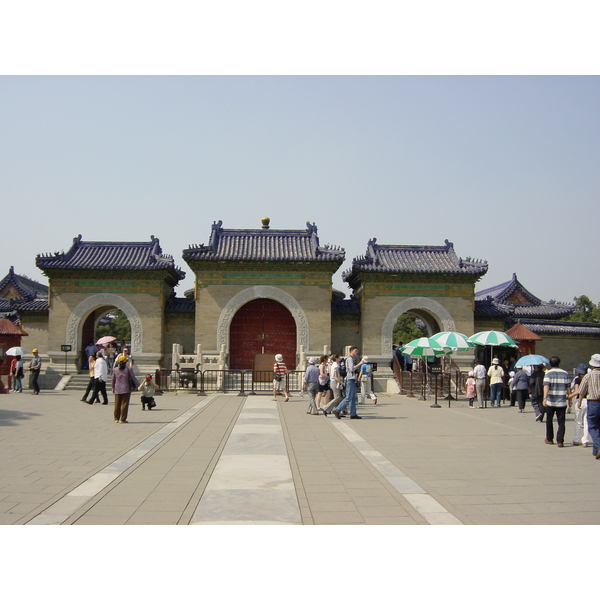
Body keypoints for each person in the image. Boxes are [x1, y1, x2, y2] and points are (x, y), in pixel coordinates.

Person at [542, 356, 571, 447]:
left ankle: (550, 439)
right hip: (562, 401)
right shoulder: (565, 373)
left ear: (550, 364)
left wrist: (544, 398)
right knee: (561, 422)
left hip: (551, 401)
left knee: (549, 420)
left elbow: (546, 386)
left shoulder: (548, 373)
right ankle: (560, 441)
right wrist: (569, 399)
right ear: (559, 363)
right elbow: (568, 387)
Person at [577, 354, 600, 459]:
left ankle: (599, 447)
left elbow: (582, 390)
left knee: (592, 426)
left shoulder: (588, 376)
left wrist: (580, 401)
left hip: (593, 402)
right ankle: (596, 451)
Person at [333, 347, 365, 420]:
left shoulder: (352, 359)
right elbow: (351, 369)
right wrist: (360, 363)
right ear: (351, 351)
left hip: (353, 379)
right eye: (355, 351)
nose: (357, 352)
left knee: (353, 398)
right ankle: (337, 410)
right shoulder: (349, 359)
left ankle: (353, 413)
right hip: (350, 379)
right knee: (348, 397)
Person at [112, 354, 139, 423]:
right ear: (126, 361)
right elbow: (133, 378)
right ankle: (122, 419)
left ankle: (116, 418)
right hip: (126, 388)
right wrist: (136, 386)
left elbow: (113, 380)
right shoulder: (128, 369)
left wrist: (113, 388)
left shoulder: (115, 369)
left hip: (117, 388)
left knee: (117, 404)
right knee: (124, 404)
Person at [569, 363, 591, 447]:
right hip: (588, 400)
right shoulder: (589, 378)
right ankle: (585, 440)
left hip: (580, 400)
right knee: (586, 421)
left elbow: (577, 391)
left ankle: (576, 439)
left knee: (578, 421)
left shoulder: (577, 379)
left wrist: (569, 396)